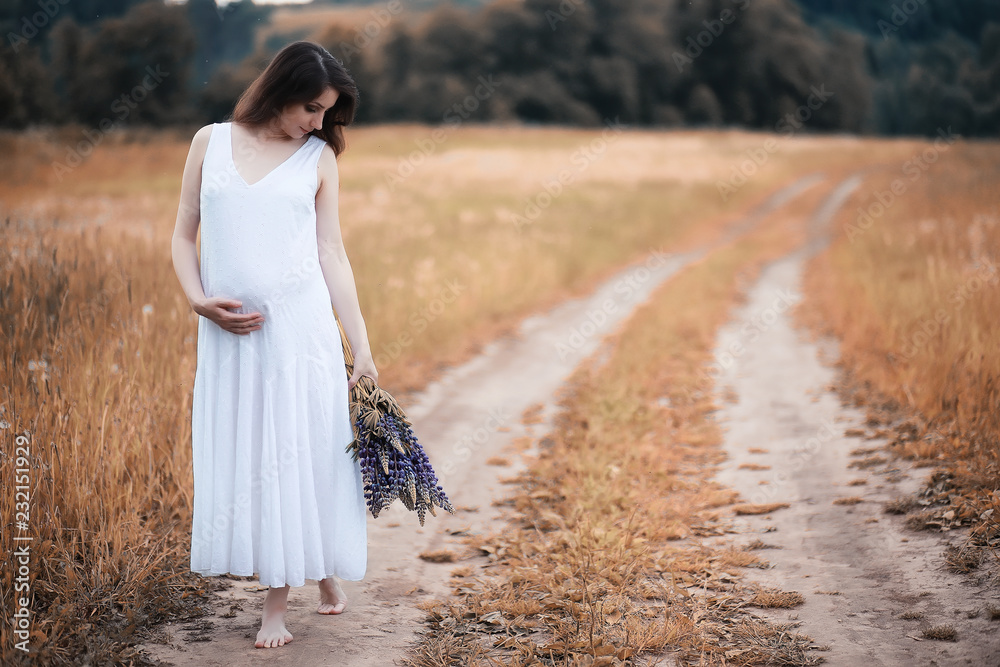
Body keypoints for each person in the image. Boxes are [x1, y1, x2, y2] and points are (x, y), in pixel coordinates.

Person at [170, 40, 378, 649]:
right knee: (259, 460)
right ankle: (324, 575)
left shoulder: (317, 157)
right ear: (280, 89)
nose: (318, 123)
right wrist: (196, 298)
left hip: (298, 335)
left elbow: (330, 252)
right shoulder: (209, 142)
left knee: (292, 454)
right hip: (230, 340)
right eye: (311, 108)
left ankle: (275, 611)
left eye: (326, 113)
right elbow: (184, 233)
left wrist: (359, 344)